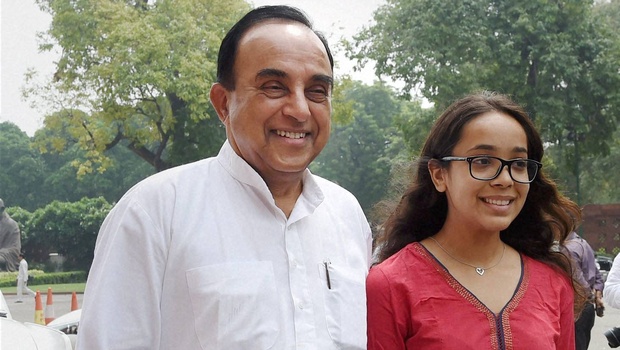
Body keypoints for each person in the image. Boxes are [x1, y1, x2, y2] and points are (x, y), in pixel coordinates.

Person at [76, 5, 372, 350]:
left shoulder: (347, 215)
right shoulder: (154, 212)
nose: (300, 110)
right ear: (222, 103)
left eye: (317, 91)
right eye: (274, 87)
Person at [366, 92, 585, 349]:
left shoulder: (553, 283)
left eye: (518, 163)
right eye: (482, 161)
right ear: (439, 175)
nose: (505, 179)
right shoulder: (391, 284)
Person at [565, 231, 605, 350]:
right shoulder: (584, 244)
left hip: (576, 307)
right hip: (587, 308)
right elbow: (598, 276)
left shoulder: (568, 250)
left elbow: (578, 281)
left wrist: (591, 296)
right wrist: (597, 295)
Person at [0, 198, 21, 272]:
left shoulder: (11, 225)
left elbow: (15, 249)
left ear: (2, 209)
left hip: (5, 257)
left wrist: (2, 253)